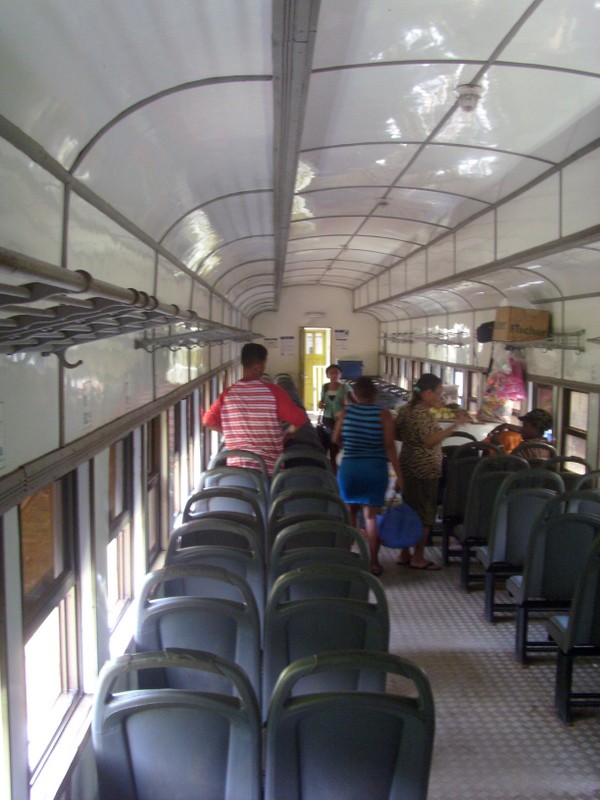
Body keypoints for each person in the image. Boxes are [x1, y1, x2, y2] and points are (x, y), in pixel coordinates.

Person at [394, 373, 470, 570]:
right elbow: (430, 441)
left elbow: (398, 434)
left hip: (408, 464)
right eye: (438, 393)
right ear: (427, 393)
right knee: (425, 513)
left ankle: (404, 552)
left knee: (409, 508)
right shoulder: (421, 414)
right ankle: (418, 556)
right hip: (424, 469)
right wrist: (454, 426)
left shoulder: (405, 410)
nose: (440, 398)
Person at [202, 342, 309, 476]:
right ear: (258, 366)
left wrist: (230, 434)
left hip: (236, 470)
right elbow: (300, 419)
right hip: (268, 469)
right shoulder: (274, 392)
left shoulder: (228, 394)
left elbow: (207, 421)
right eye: (264, 363)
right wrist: (287, 434)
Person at [333, 376, 403, 576]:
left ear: (354, 395)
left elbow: (335, 439)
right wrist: (400, 474)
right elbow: (390, 446)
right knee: (371, 518)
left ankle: (348, 560)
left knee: (350, 515)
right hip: (375, 469)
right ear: (375, 393)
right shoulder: (384, 415)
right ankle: (373, 563)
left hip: (350, 470)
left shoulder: (345, 414)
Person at [318, 364, 356, 473]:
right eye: (331, 373)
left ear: (340, 375)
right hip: (327, 420)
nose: (334, 375)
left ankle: (337, 472)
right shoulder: (325, 387)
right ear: (327, 375)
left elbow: (357, 403)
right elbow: (322, 403)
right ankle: (327, 471)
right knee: (326, 446)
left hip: (342, 420)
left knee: (337, 446)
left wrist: (346, 404)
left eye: (337, 373)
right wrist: (321, 404)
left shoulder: (345, 388)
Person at [487, 408, 553, 458]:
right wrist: (508, 426)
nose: (522, 429)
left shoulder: (526, 447)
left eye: (525, 426)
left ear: (537, 427)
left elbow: (508, 464)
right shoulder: (548, 446)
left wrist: (499, 445)